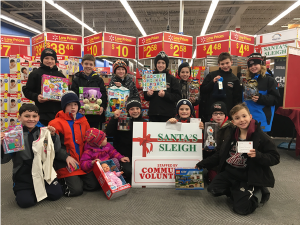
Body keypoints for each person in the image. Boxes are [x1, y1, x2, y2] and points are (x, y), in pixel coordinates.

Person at [195, 103, 280, 215]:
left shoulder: (261, 137)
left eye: (244, 116)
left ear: (250, 117)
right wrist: (202, 164)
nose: (242, 120)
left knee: (242, 209)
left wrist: (258, 155)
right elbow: (221, 154)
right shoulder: (232, 134)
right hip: (231, 172)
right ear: (233, 122)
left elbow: (275, 157)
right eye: (237, 118)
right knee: (213, 190)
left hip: (247, 176)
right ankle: (237, 190)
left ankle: (258, 191)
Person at [0, 104, 65, 208]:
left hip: (43, 172)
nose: (31, 119)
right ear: (19, 117)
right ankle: (24, 188)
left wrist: (53, 136)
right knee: (26, 202)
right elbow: (4, 159)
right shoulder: (14, 135)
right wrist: (1, 145)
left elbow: (55, 150)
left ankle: (43, 187)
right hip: (24, 174)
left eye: (34, 116)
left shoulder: (44, 131)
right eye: (27, 116)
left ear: (38, 117)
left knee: (56, 194)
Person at [49, 91, 100, 197]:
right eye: (69, 104)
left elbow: (88, 141)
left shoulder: (83, 120)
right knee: (76, 191)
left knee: (95, 185)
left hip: (82, 160)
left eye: (75, 104)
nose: (73, 107)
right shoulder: (55, 123)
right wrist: (66, 157)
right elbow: (52, 147)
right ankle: (62, 182)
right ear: (64, 106)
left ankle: (76, 180)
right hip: (65, 161)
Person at [106, 96, 146, 183]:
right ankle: (121, 172)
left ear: (140, 109)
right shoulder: (122, 121)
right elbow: (109, 132)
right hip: (124, 156)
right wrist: (115, 118)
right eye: (132, 109)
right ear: (128, 110)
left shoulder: (145, 123)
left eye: (137, 108)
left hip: (139, 155)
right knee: (129, 172)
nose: (135, 111)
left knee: (141, 172)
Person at [22, 48, 66, 126]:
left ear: (55, 61)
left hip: (59, 113)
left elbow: (65, 93)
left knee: (57, 137)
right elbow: (27, 91)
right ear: (42, 59)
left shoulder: (61, 75)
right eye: (46, 58)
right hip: (42, 114)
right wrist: (36, 97)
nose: (49, 61)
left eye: (52, 59)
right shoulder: (35, 74)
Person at [244, 53, 280, 132]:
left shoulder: (269, 80)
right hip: (247, 118)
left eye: (255, 64)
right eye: (250, 66)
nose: (253, 67)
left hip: (262, 118)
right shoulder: (248, 80)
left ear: (261, 64)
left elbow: (275, 100)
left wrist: (260, 98)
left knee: (261, 143)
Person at [200, 52, 241, 122]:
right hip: (211, 113)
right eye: (222, 64)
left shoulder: (235, 79)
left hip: (227, 114)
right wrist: (212, 82)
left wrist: (234, 115)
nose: (225, 66)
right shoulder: (211, 75)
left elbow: (237, 99)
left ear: (231, 62)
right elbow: (203, 90)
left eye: (227, 63)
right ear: (218, 64)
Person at [71, 54, 107, 129]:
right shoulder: (76, 79)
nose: (88, 66)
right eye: (86, 64)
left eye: (91, 64)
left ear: (94, 65)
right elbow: (74, 95)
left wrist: (102, 107)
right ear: (82, 64)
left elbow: (103, 94)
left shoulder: (98, 79)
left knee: (94, 136)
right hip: (81, 114)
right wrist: (77, 107)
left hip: (95, 115)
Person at [144, 51, 181, 122]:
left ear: (166, 65)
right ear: (155, 64)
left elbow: (178, 96)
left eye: (163, 63)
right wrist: (148, 94)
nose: (160, 65)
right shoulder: (150, 78)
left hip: (167, 115)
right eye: (158, 63)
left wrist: (165, 95)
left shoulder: (172, 79)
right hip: (153, 114)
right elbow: (146, 97)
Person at [202, 101, 234, 183]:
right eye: (215, 113)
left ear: (225, 115)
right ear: (212, 115)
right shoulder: (208, 127)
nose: (218, 116)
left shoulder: (231, 127)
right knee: (214, 180)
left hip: (227, 160)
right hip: (214, 160)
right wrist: (206, 150)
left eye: (221, 113)